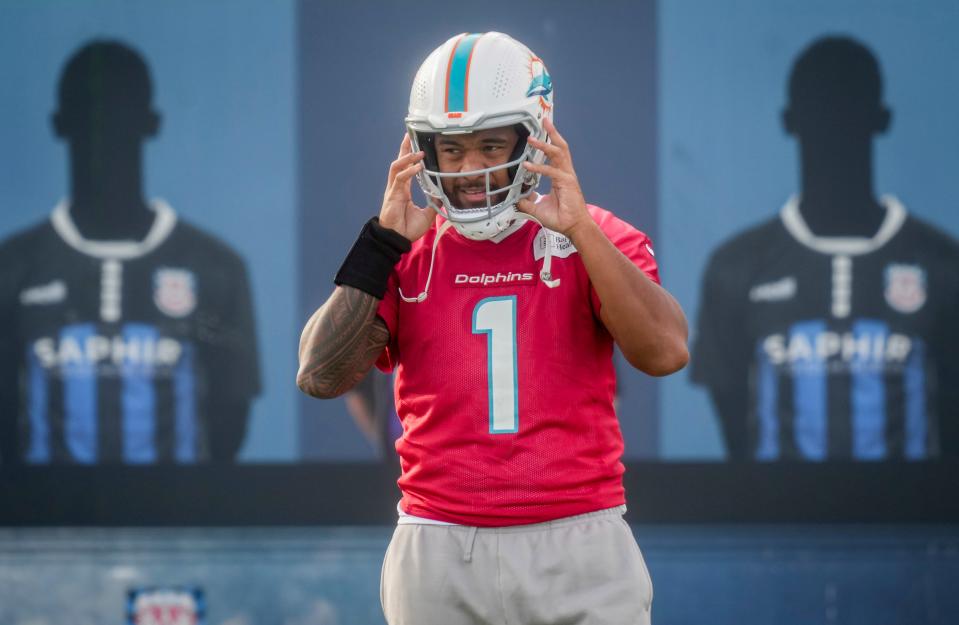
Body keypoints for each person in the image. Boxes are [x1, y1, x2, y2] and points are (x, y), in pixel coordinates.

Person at [297, 32, 687, 624]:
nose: (470, 168)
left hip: (578, 537)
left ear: (535, 141)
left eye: (489, 145)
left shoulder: (595, 234)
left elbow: (665, 352)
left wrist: (582, 231)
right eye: (450, 149)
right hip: (439, 539)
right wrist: (379, 244)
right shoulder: (401, 248)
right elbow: (319, 375)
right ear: (421, 150)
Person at [692, 36, 959, 461]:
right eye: (822, 111)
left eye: (849, 110)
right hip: (776, 524)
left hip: (913, 527)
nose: (835, 125)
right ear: (791, 122)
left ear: (881, 120)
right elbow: (735, 429)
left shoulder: (944, 265)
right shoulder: (737, 267)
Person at [0, 40, 260, 465]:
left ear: (150, 123)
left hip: (178, 528)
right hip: (41, 528)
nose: (103, 131)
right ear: (61, 124)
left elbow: (230, 424)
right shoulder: (12, 268)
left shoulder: (216, 268)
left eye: (119, 115)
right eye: (89, 115)